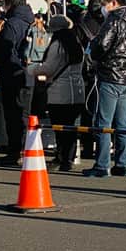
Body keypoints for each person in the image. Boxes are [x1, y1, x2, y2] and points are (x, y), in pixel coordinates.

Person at [85, 0, 126, 177]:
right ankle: (123, 164)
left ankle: (102, 165)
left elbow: (102, 45)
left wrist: (94, 53)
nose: (103, 8)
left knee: (103, 122)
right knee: (123, 122)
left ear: (113, 2)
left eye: (103, 4)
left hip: (110, 75)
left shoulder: (114, 19)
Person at [28, 14, 85, 171]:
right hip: (77, 91)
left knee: (59, 127)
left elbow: (48, 68)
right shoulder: (76, 43)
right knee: (71, 127)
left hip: (59, 91)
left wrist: (31, 68)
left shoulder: (58, 44)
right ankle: (69, 157)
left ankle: (62, 158)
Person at [0, 0, 35, 167]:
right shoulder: (33, 21)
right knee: (25, 114)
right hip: (30, 73)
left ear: (9, 2)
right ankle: (27, 150)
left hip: (13, 75)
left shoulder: (12, 23)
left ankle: (15, 152)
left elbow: (6, 53)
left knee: (13, 115)